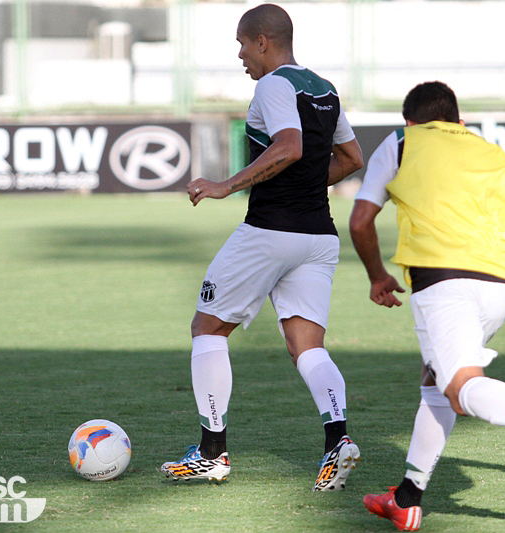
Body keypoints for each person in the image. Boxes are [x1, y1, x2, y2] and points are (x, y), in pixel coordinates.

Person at [349, 81, 505, 531]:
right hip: (500, 288)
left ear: (410, 122)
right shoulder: (494, 154)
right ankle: (407, 499)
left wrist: (377, 276)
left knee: (460, 386)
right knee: (435, 379)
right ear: (459, 123)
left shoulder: (402, 142)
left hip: (443, 284)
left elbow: (360, 220)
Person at [160, 3, 364, 492]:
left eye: (242, 45)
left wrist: (227, 185)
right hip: (318, 237)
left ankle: (212, 453)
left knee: (207, 328)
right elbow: (352, 158)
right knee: (306, 346)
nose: (240, 55)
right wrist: (309, 188)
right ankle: (337, 441)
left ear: (264, 42)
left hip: (269, 232)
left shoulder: (272, 84)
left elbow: (290, 146)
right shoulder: (325, 88)